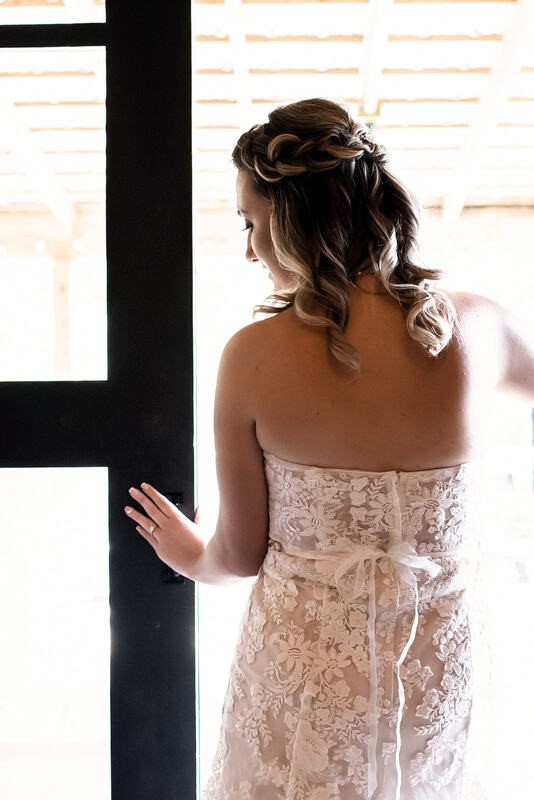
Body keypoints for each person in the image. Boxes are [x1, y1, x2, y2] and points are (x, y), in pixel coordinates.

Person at [124, 98, 534, 799]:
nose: (248, 248)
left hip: (303, 688)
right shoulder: (483, 327)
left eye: (252, 223)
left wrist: (186, 552)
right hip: (433, 676)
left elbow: (239, 556)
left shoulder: (253, 358)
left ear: (293, 220)